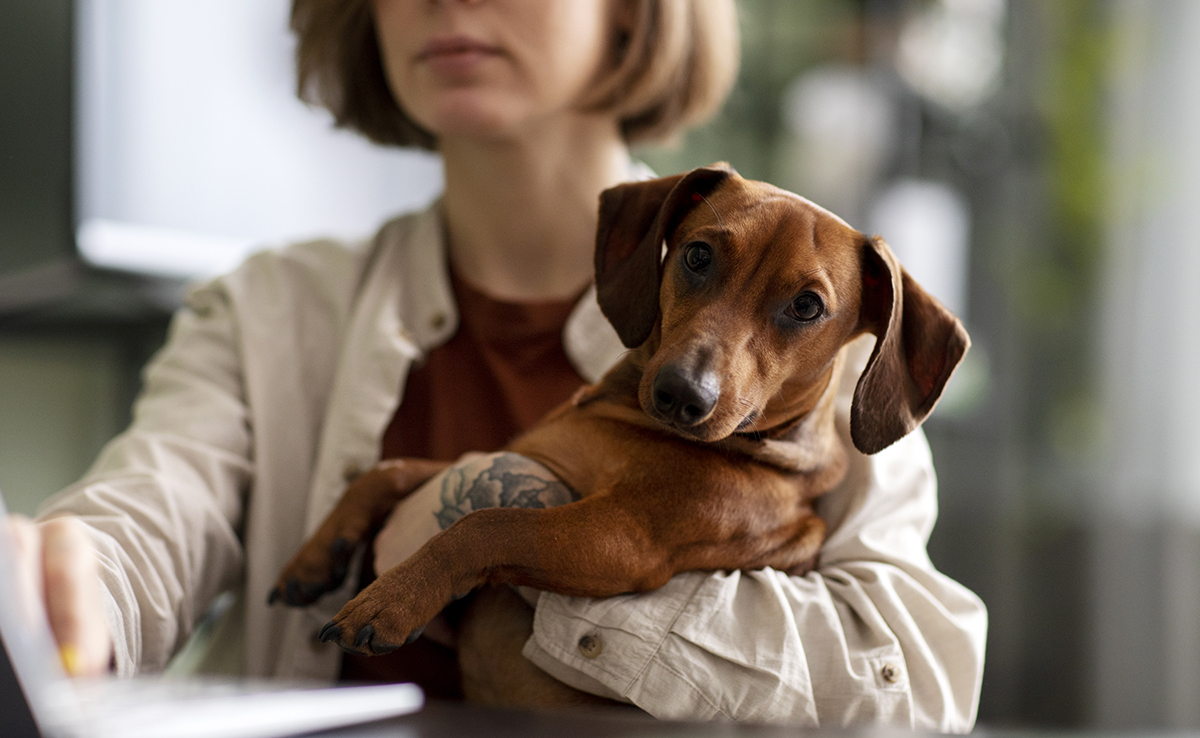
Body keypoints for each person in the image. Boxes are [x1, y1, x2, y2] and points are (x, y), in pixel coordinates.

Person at [6, 0, 986, 729]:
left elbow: (919, 690)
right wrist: (49, 583)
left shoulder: (826, 369)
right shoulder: (269, 309)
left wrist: (471, 536)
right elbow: (145, 521)